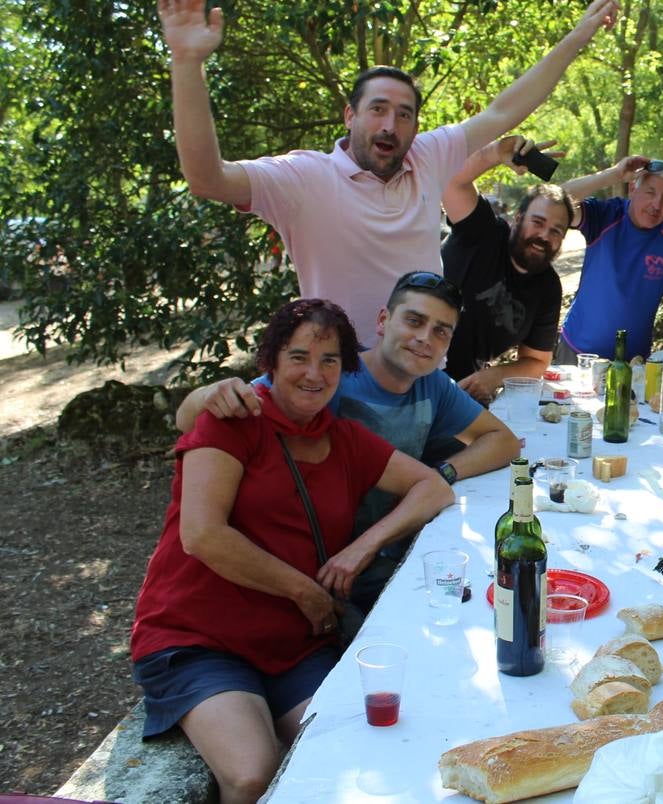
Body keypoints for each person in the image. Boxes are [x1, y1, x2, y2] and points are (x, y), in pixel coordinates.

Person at [157, 0, 618, 347]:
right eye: (377, 109)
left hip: (425, 378)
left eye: (404, 114)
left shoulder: (429, 155)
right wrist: (186, 61)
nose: (389, 126)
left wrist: (580, 34)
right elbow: (207, 178)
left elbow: (505, 110)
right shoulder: (303, 177)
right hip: (344, 383)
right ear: (350, 115)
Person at [132, 299, 452, 803]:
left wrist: (362, 548)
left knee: (349, 753)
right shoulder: (232, 423)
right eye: (298, 356)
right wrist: (305, 590)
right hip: (200, 637)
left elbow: (433, 488)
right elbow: (203, 535)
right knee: (252, 773)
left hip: (292, 643)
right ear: (272, 362)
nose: (314, 373)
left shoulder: (345, 439)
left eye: (329, 361)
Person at [176, 271, 517, 612]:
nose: (424, 338)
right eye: (414, 321)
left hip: (380, 550)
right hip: (309, 557)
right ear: (383, 320)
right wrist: (209, 392)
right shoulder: (326, 376)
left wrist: (444, 472)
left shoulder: (434, 386)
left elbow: (503, 440)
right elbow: (209, 416)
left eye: (441, 331)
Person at [440, 136, 571, 403]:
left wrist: (495, 376)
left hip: (463, 392)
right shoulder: (483, 231)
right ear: (518, 220)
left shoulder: (548, 286)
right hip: (411, 372)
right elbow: (452, 182)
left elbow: (536, 360)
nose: (544, 235)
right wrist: (495, 152)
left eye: (555, 231)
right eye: (537, 222)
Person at [554, 158, 663, 361]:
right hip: (579, 352)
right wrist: (613, 174)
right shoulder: (606, 215)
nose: (657, 205)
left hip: (633, 360)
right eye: (650, 193)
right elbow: (554, 200)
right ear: (632, 189)